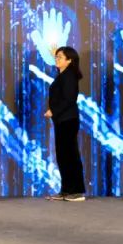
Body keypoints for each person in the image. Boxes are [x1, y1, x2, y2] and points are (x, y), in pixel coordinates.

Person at [45, 46, 86, 202]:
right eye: (56, 57)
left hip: (67, 120)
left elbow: (69, 99)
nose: (56, 59)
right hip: (62, 120)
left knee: (70, 156)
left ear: (69, 60)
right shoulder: (63, 75)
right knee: (63, 156)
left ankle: (76, 191)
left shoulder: (69, 76)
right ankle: (66, 189)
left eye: (60, 57)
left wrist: (53, 110)